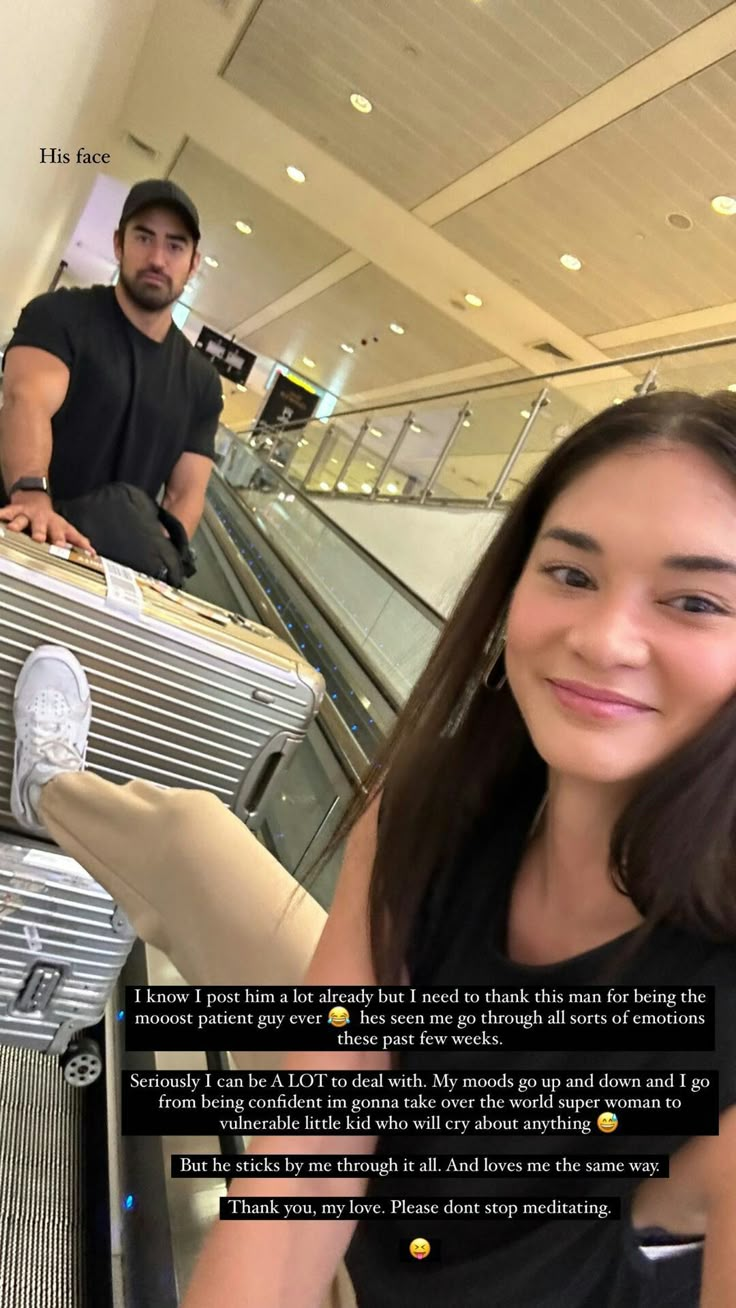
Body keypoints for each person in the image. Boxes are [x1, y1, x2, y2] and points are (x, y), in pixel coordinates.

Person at [8, 389, 736, 1307]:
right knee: (195, 844)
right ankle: (54, 791)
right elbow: (305, 1166)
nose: (604, 639)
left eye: (697, 601)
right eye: (572, 574)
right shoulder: (431, 812)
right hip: (389, 1137)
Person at [0, 177, 222, 552]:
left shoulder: (201, 382)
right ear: (119, 243)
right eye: (143, 237)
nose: (157, 259)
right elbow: (26, 402)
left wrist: (165, 556)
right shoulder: (60, 315)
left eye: (175, 245)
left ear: (193, 263)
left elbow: (186, 494)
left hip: (106, 572)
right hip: (19, 534)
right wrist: (33, 501)